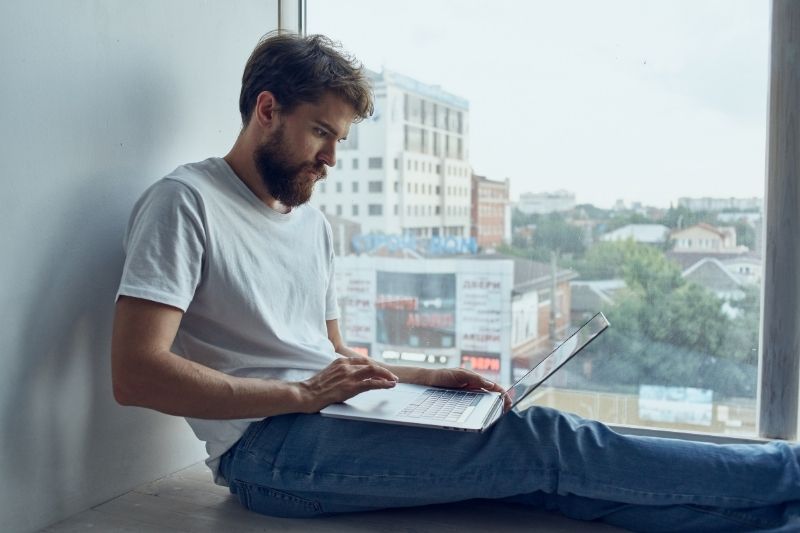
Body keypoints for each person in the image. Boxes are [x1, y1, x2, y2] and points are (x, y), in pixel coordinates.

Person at [111, 31, 799, 532]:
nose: (331, 158)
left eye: (341, 141)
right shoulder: (185, 202)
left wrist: (426, 379)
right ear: (266, 109)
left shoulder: (310, 225)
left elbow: (335, 362)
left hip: (325, 420)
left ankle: (775, 514)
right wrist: (297, 393)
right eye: (321, 132)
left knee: (543, 474)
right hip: (266, 453)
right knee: (548, 442)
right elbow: (135, 373)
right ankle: (787, 471)